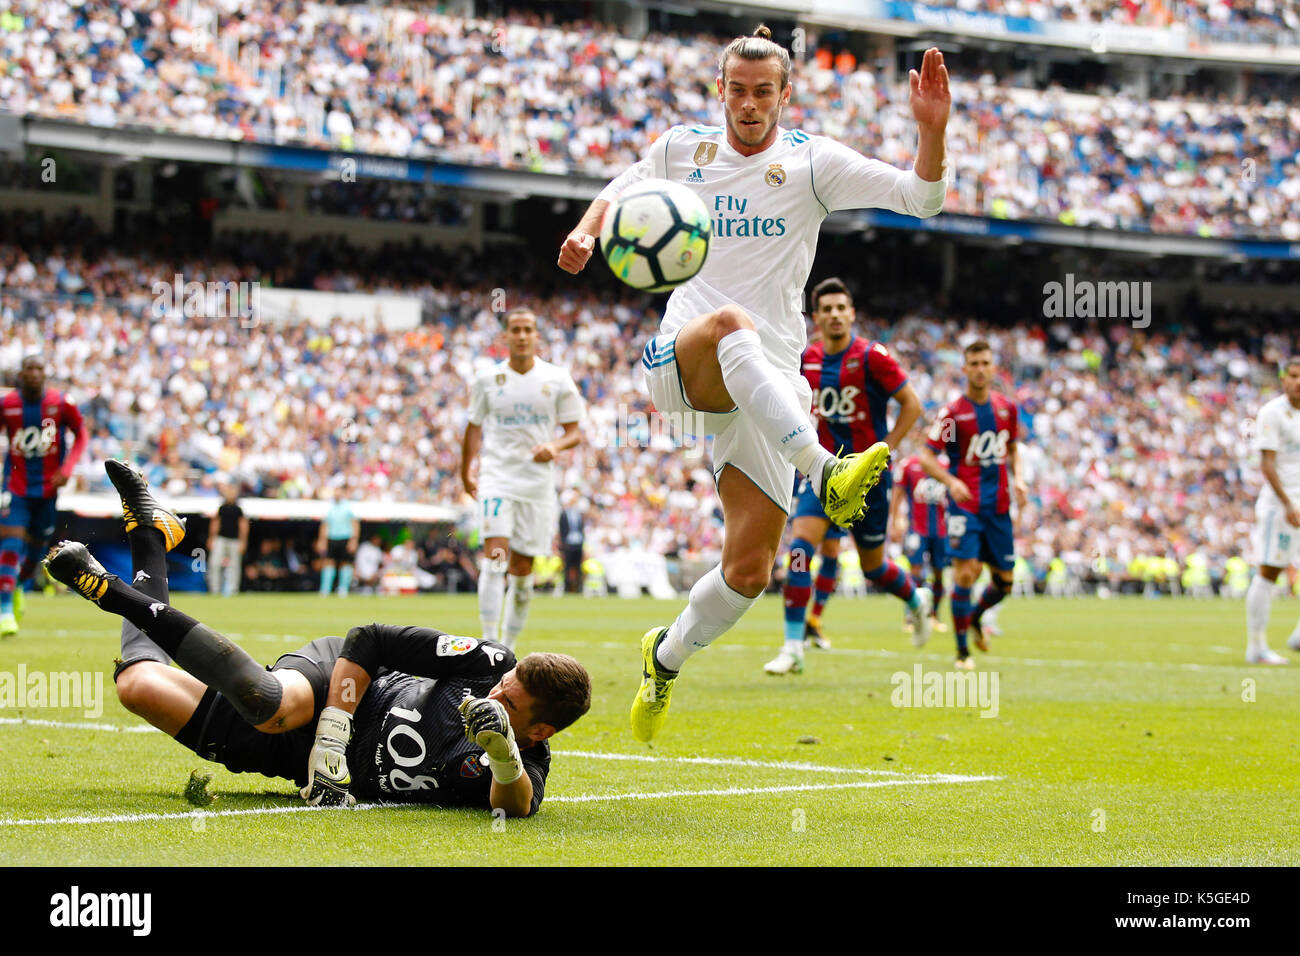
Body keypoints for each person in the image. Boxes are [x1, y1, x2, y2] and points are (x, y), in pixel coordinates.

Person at [558, 28, 949, 738]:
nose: (747, 103)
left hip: (771, 393)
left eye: (762, 91)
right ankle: (826, 470)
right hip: (686, 359)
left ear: (784, 95)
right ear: (720, 90)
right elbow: (621, 191)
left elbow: (921, 200)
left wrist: (932, 133)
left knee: (749, 569)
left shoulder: (811, 162)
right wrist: (588, 232)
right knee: (732, 319)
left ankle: (666, 657)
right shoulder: (683, 149)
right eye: (736, 89)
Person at [44, 460, 591, 817]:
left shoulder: (526, 764)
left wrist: (502, 749)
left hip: (294, 756)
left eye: (511, 699)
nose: (497, 693)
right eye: (506, 683)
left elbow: (516, 807)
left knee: (137, 685)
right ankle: (108, 590)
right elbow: (370, 637)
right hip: (341, 687)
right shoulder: (489, 663)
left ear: (540, 728)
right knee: (270, 705)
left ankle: (150, 533)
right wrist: (333, 736)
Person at [764, 278, 926, 676]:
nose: (835, 315)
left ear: (851, 313)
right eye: (827, 309)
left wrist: (884, 450)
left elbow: (912, 406)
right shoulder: (807, 359)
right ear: (816, 317)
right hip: (824, 471)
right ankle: (792, 646)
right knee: (801, 550)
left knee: (874, 568)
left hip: (869, 480)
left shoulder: (873, 357)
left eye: (842, 308)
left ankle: (916, 601)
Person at [460, 308, 584, 650]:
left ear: (536, 336)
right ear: (506, 336)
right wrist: (465, 471)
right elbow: (473, 428)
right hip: (497, 477)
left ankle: (508, 648)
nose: (522, 335)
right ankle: (487, 643)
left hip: (536, 483)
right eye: (515, 329)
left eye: (528, 329)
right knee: (495, 556)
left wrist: (554, 445)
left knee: (522, 569)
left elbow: (574, 431)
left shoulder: (557, 378)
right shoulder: (487, 380)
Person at [919, 340, 1028, 670]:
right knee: (965, 573)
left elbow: (1012, 450)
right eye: (974, 363)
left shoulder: (1007, 409)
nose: (980, 369)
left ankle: (977, 617)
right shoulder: (952, 414)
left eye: (985, 363)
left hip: (998, 506)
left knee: (1005, 582)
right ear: (965, 369)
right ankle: (962, 651)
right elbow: (926, 457)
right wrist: (951, 482)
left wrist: (1019, 478)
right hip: (964, 506)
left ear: (994, 368)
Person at [1, 353, 92, 637]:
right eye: (28, 368)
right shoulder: (8, 404)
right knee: (11, 542)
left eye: (39, 368)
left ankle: (16, 586)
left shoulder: (61, 403)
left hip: (49, 489)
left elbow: (81, 435)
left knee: (38, 551)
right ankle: (4, 609)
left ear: (45, 373)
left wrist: (67, 468)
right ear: (20, 374)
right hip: (15, 486)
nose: (34, 373)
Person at [1245, 358, 1300, 664]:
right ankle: (1256, 647)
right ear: (1283, 379)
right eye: (1293, 376)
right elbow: (1267, 464)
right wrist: (1288, 504)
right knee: (1269, 572)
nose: (1298, 382)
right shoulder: (1272, 413)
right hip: (1281, 506)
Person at [890, 451, 951, 639]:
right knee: (915, 572)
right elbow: (897, 493)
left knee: (939, 572)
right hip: (916, 528)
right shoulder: (909, 464)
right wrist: (895, 520)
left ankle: (934, 615)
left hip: (941, 529)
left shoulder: (946, 465)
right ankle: (911, 617)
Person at [206, 483, 248, 597]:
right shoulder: (222, 508)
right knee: (214, 564)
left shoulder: (238, 509)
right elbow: (215, 523)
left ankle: (233, 590)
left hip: (234, 540)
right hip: (220, 538)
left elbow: (243, 525)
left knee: (235, 566)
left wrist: (243, 541)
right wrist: (211, 538)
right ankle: (215, 590)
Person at [317, 488, 360, 596]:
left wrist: (353, 540)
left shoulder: (348, 506)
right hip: (332, 538)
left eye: (339, 491)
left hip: (345, 537)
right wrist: (322, 540)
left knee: (345, 563)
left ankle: (343, 588)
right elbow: (325, 525)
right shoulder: (329, 507)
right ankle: (325, 589)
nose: (337, 493)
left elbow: (355, 524)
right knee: (328, 562)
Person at [559, 491, 587, 594]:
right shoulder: (564, 514)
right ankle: (567, 588)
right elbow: (562, 530)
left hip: (578, 542)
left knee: (578, 566)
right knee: (567, 566)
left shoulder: (578, 514)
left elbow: (581, 528)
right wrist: (563, 544)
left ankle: (579, 589)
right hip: (568, 543)